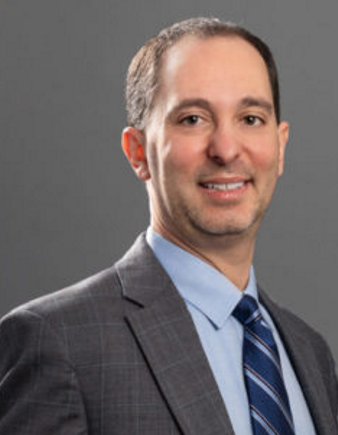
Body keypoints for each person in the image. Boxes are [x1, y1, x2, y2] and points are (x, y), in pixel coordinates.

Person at [0, 17, 337, 435]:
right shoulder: (59, 342)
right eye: (193, 119)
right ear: (137, 151)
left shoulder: (311, 354)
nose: (227, 149)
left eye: (251, 119)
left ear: (280, 146)